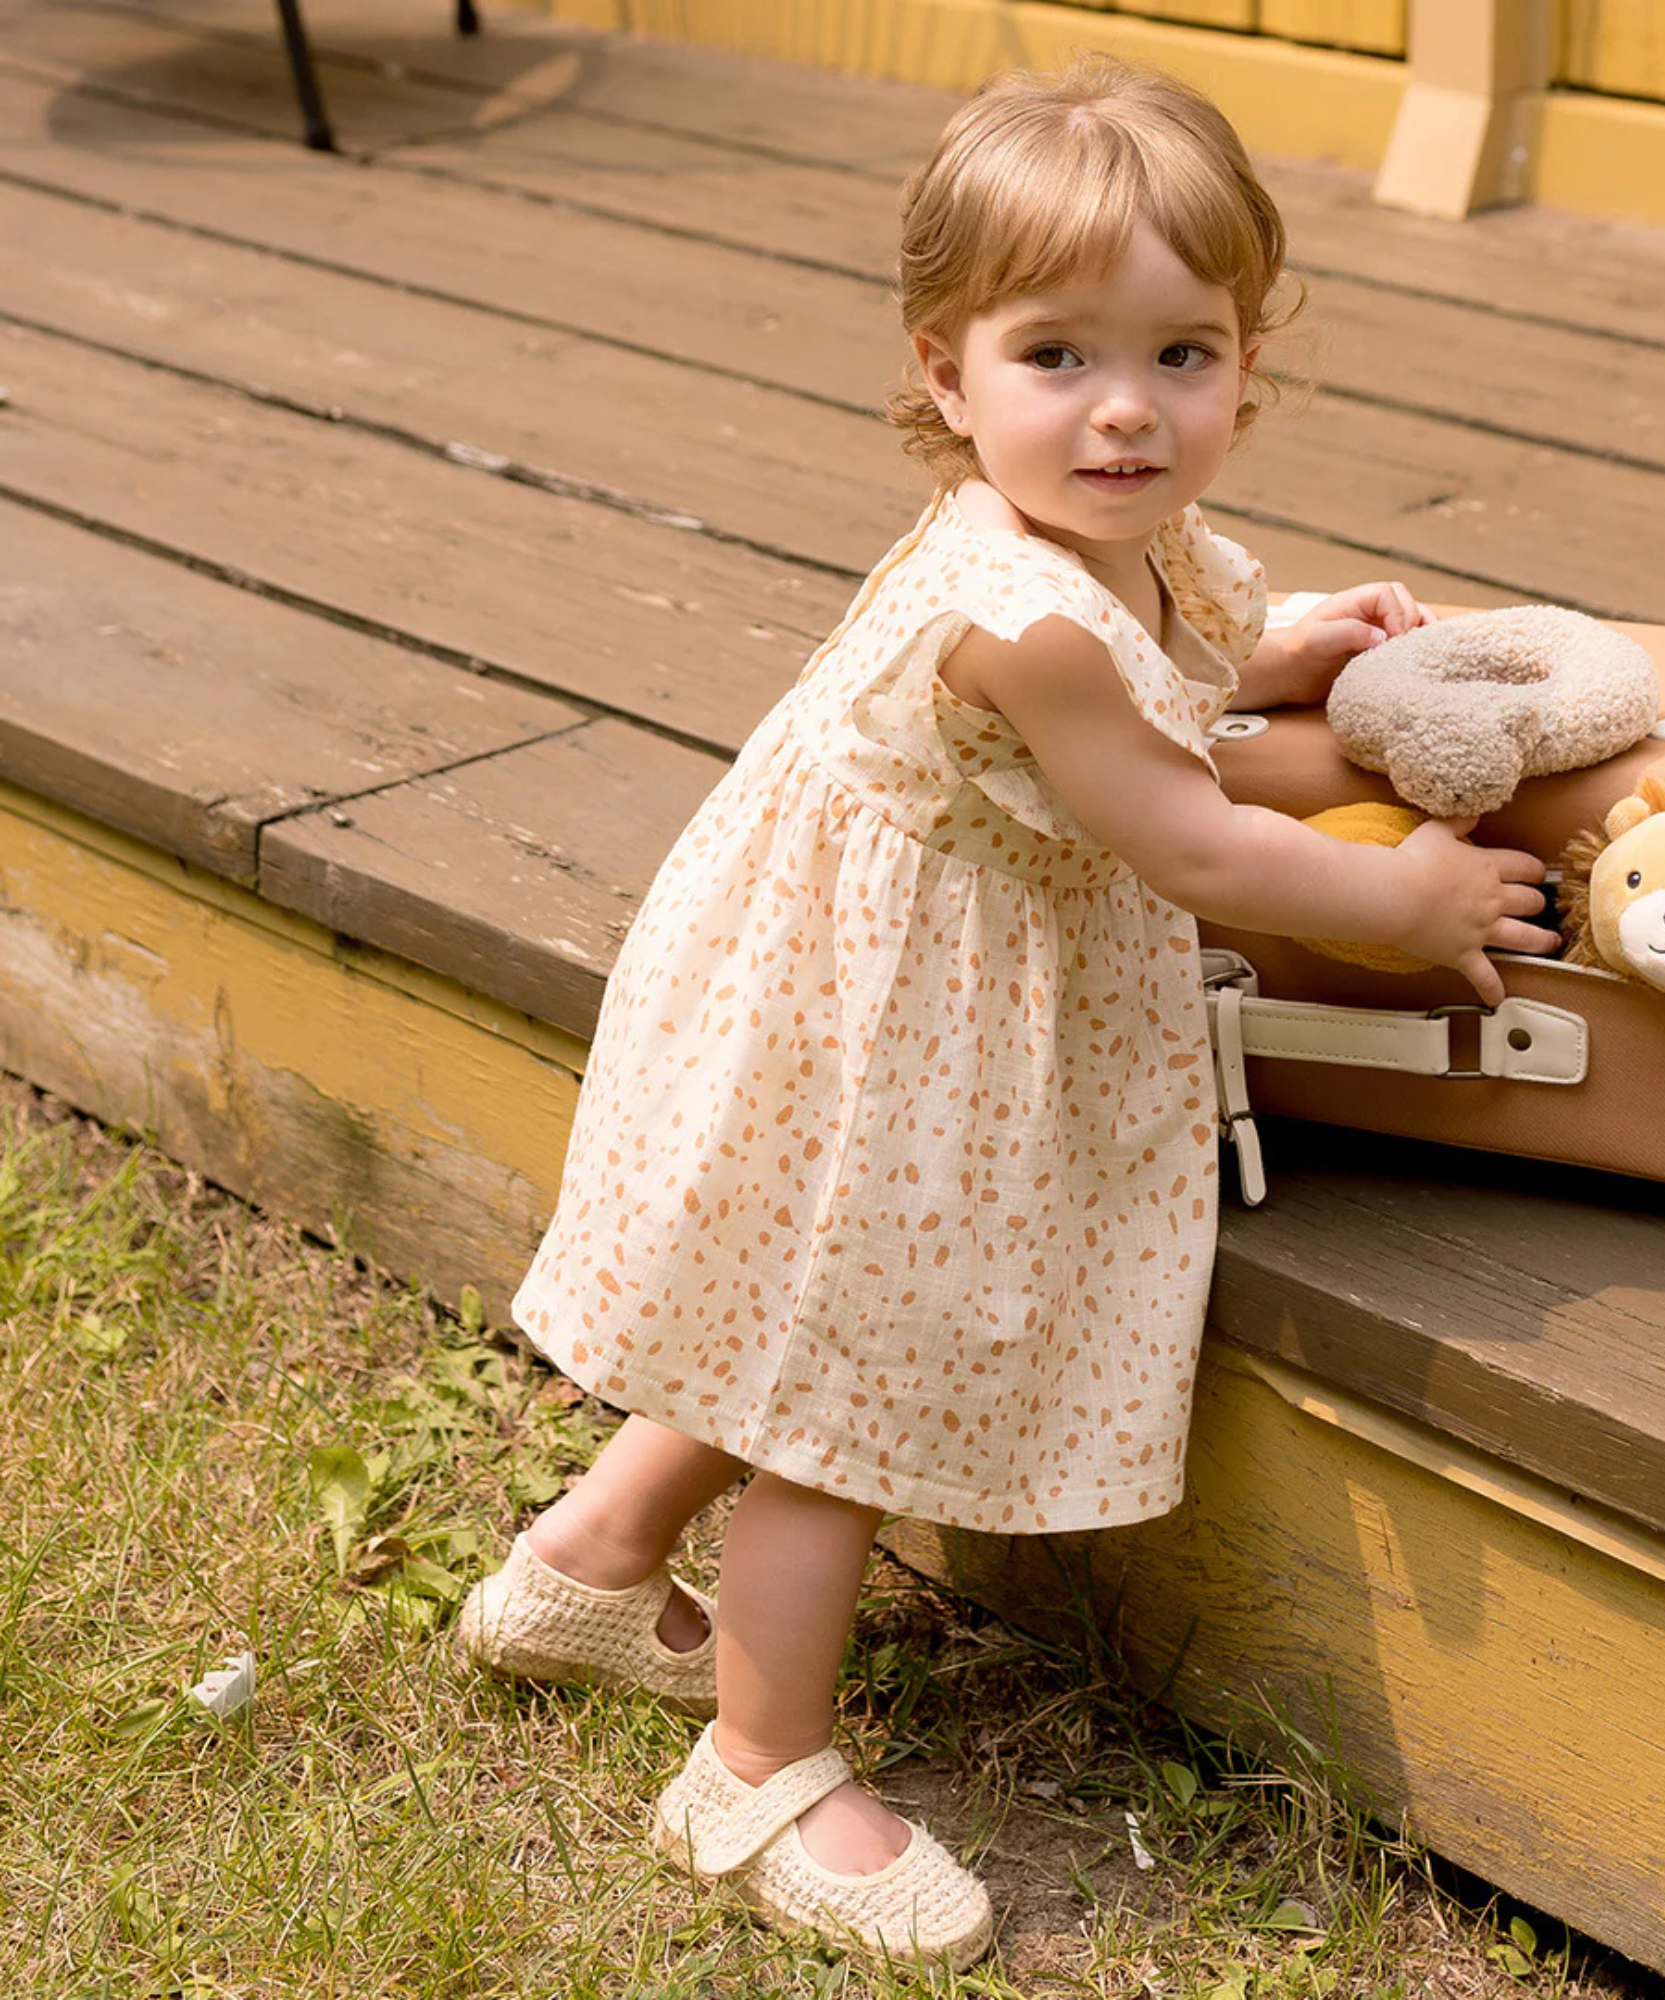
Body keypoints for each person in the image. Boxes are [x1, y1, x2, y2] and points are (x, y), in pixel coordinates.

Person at [454, 52, 1555, 1970]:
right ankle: (759, 1760)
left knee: (784, 1313)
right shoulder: (1027, 620)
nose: (1127, 410)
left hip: (879, 984)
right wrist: (1405, 897)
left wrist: (1272, 650)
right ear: (946, 371)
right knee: (844, 1392)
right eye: (1059, 357)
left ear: (1246, 358)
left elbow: (1171, 689)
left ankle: (591, 1561)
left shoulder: (1097, 549)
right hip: (892, 1029)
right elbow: (1192, 836)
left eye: (1184, 355)